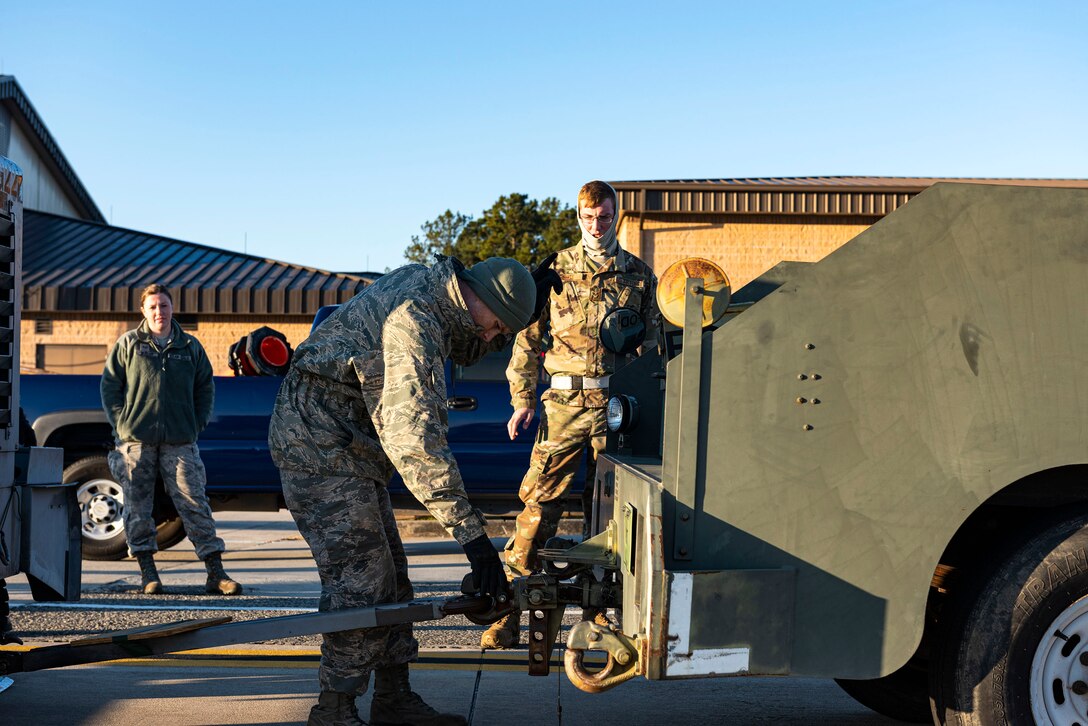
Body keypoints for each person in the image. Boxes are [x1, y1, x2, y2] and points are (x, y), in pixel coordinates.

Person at [269, 254, 554, 726]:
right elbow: (415, 441)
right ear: (478, 296)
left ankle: (393, 698)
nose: (491, 338)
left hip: (350, 448)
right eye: (497, 327)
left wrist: (521, 295)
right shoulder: (414, 322)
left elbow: (470, 337)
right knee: (361, 584)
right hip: (317, 447)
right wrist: (474, 541)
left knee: (394, 580)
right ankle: (333, 709)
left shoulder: (443, 292)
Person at [482, 180, 659, 649]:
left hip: (617, 409)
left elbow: (654, 350)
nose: (596, 226)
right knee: (540, 506)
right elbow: (527, 338)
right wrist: (521, 399)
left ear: (615, 216)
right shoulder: (554, 270)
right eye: (587, 218)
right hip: (562, 407)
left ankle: (599, 616)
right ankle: (507, 612)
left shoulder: (639, 276)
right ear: (577, 218)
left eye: (603, 217)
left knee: (609, 515)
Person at [100, 284, 241, 596]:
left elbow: (205, 387)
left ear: (172, 308)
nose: (158, 312)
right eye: (152, 307)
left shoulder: (189, 347)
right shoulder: (130, 344)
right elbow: (110, 387)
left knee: (194, 502)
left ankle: (215, 573)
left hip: (180, 440)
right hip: (136, 440)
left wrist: (196, 423)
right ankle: (148, 573)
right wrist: (122, 424)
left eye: (163, 305)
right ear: (143, 311)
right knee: (138, 507)